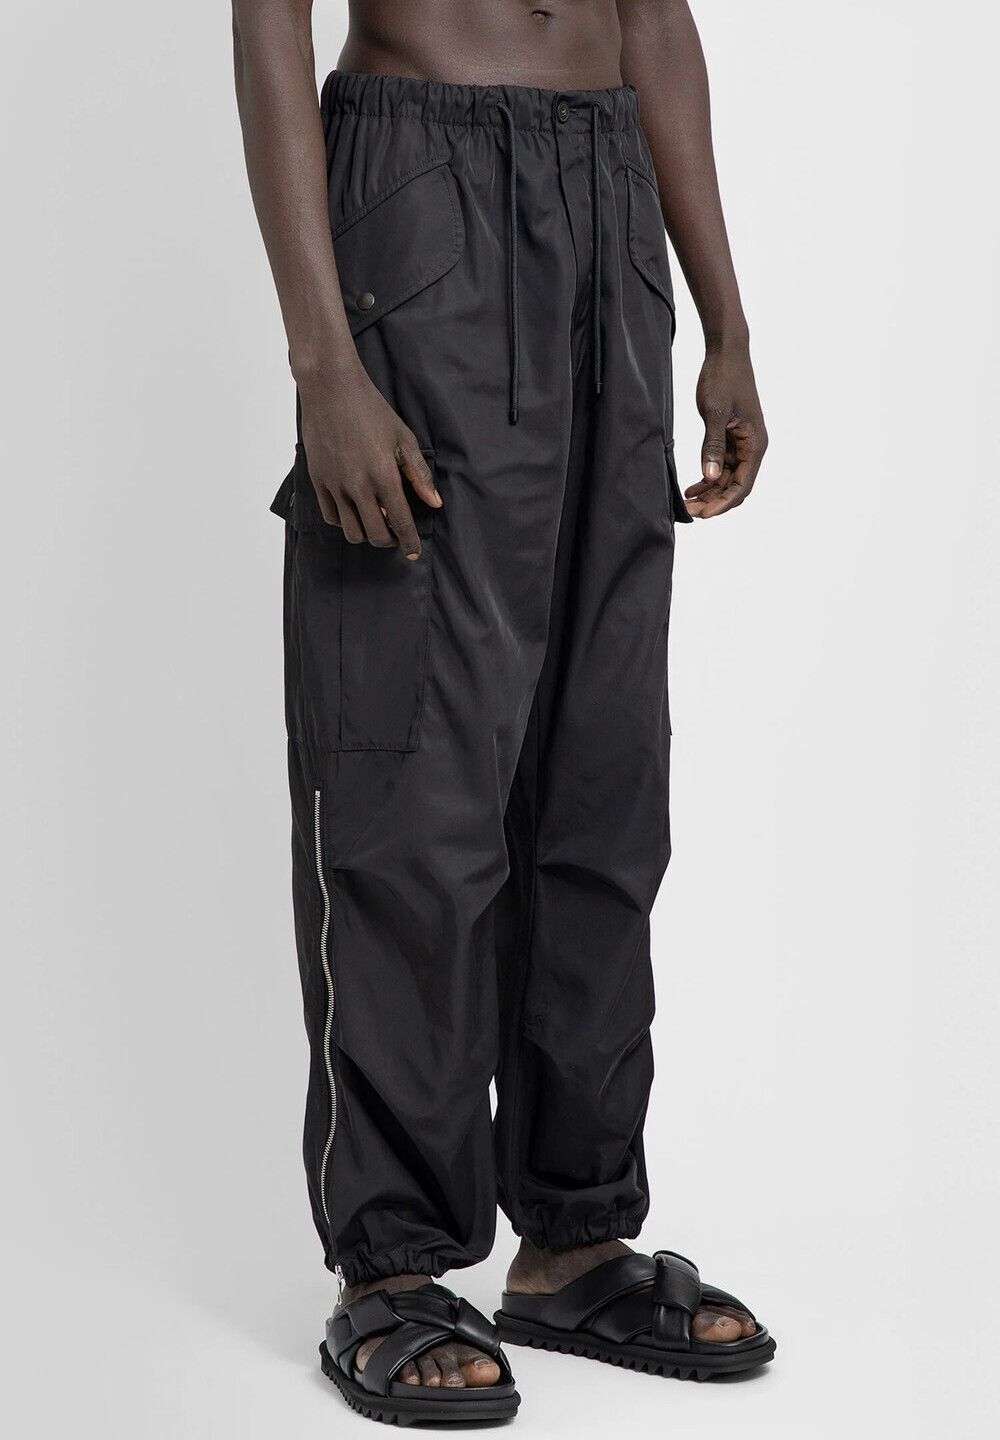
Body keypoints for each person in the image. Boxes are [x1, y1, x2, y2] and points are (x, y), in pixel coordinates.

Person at [233, 0, 773, 1422]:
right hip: (423, 193)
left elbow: (657, 21)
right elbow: (268, 20)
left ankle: (576, 1240)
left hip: (612, 202)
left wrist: (724, 319)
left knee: (602, 777)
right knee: (414, 775)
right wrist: (324, 364)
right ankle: (394, 1266)